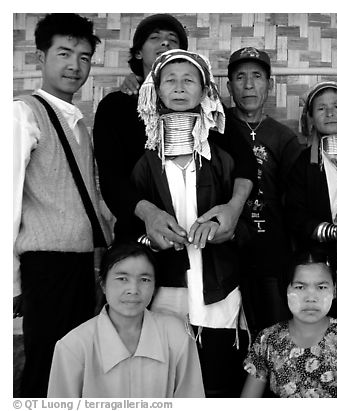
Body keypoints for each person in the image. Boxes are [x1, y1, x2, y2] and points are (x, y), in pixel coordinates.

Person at [130, 49, 250, 397]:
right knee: (168, 380)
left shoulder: (224, 159)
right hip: (167, 294)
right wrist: (152, 241)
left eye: (189, 81)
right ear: (155, 90)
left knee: (217, 381)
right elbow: (128, 231)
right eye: (170, 80)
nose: (179, 88)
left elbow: (247, 227)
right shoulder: (145, 163)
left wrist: (226, 227)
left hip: (221, 292)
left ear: (205, 91)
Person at [93, 14, 256, 249]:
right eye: (155, 38)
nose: (165, 43)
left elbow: (245, 163)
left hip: (211, 242)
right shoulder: (115, 107)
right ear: (138, 52)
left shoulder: (209, 109)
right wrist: (149, 214)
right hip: (143, 241)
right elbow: (111, 179)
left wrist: (233, 208)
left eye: (173, 40)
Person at [13, 13, 104, 397]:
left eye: (84, 57)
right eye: (64, 53)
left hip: (83, 265)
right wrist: (11, 280)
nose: (74, 65)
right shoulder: (21, 114)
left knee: (76, 369)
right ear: (39, 58)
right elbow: (7, 200)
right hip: (47, 267)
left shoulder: (78, 123)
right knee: (46, 367)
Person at [47, 242, 205, 398]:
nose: (133, 290)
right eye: (122, 279)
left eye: (144, 279)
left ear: (154, 284)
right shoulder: (73, 347)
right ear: (103, 284)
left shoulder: (178, 336)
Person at [225, 47, 304, 337]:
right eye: (240, 77)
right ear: (228, 85)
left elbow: (294, 198)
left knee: (274, 330)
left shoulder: (283, 137)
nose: (248, 85)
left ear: (269, 85)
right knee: (231, 331)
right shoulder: (215, 127)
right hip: (227, 247)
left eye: (257, 76)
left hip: (273, 249)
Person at [241, 251, 337, 398]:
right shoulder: (267, 339)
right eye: (300, 287)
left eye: (321, 287)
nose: (311, 297)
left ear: (334, 290)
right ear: (285, 290)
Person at [286, 81, 337, 274]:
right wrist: (334, 232)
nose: (329, 113)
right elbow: (295, 216)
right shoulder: (303, 164)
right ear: (310, 118)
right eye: (321, 108)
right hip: (321, 261)